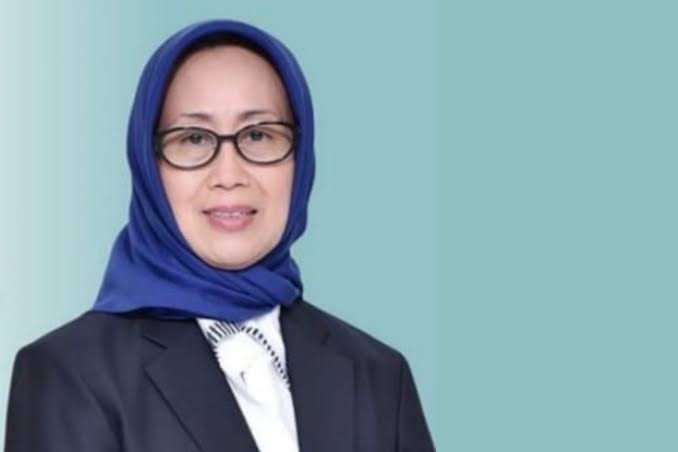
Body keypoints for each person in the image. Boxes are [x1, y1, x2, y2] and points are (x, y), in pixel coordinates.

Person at [4, 19, 435, 452]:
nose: (229, 174)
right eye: (193, 138)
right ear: (149, 165)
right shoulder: (70, 373)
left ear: (301, 159)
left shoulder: (378, 375)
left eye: (259, 135)